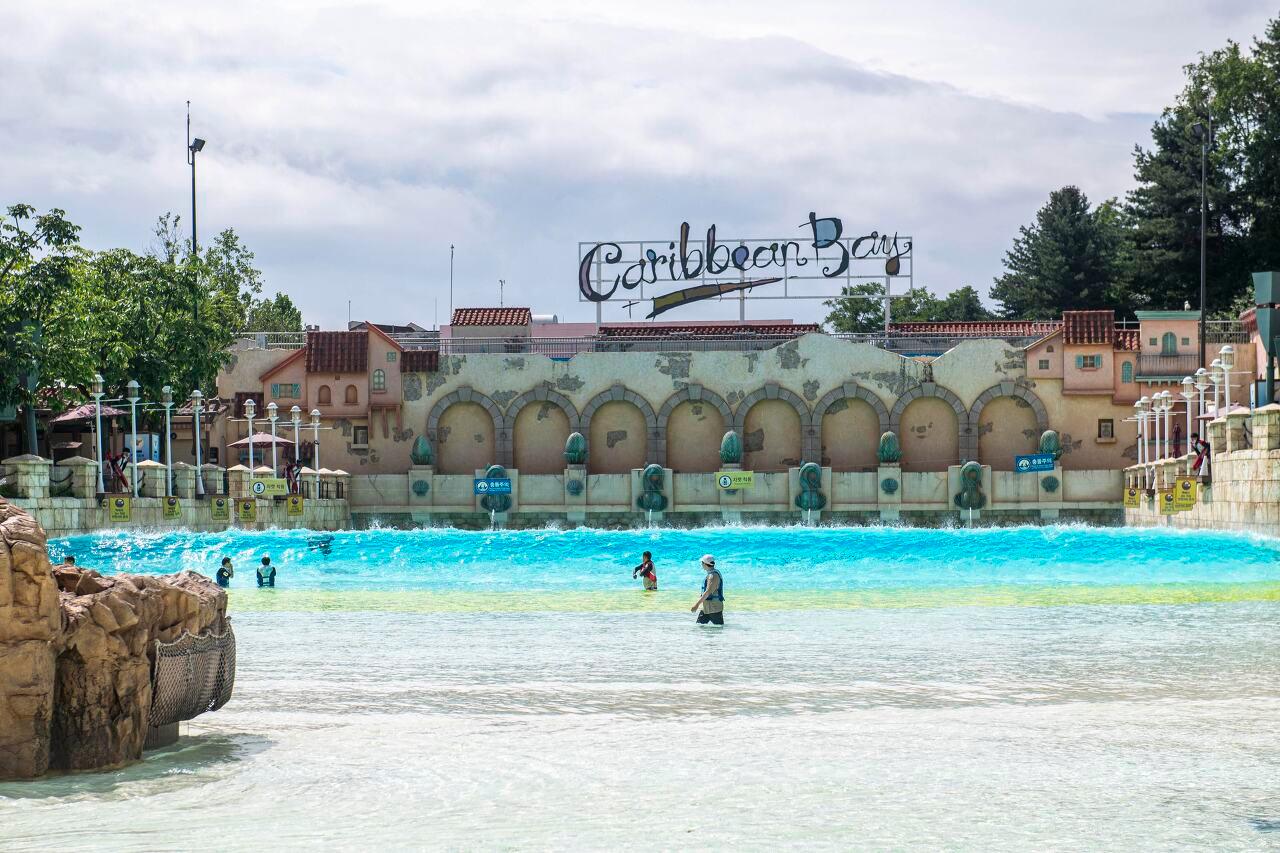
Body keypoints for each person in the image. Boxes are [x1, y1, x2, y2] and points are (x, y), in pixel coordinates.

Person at [690, 554, 724, 625]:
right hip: (706, 609)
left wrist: (696, 605)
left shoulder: (713, 576)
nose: (701, 564)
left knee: (719, 629)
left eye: (702, 563)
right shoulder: (711, 574)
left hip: (714, 609)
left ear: (704, 564)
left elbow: (708, 592)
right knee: (699, 627)